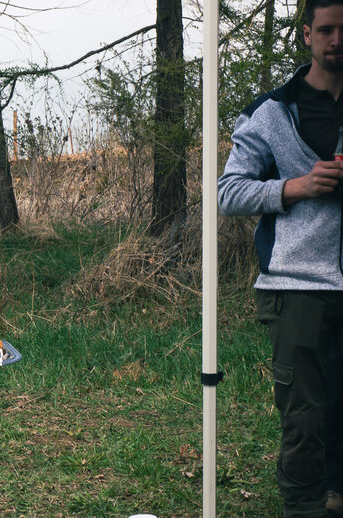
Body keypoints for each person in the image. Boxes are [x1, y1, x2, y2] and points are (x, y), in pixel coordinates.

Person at [217, 1, 343, 516]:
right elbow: (229, 193)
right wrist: (297, 186)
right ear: (307, 34)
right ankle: (306, 509)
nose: (337, 40)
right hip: (296, 286)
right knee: (305, 418)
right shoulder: (271, 112)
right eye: (328, 30)